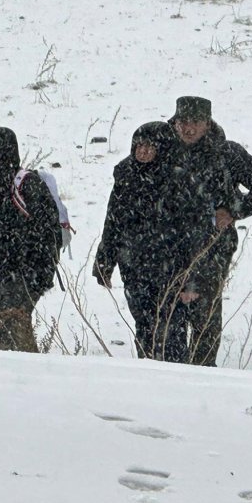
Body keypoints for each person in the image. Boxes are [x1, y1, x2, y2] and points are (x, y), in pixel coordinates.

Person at [94, 122, 214, 363]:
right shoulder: (127, 176)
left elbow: (198, 233)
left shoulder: (182, 179)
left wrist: (193, 280)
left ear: (163, 148)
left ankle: (173, 379)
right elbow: (113, 221)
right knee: (145, 328)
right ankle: (149, 374)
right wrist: (104, 261)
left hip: (173, 270)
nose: (143, 152)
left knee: (172, 331)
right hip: (135, 267)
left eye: (150, 147)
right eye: (139, 146)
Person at [167, 96, 252, 367]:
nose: (188, 129)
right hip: (169, 242)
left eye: (195, 122)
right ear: (175, 121)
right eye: (183, 122)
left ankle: (204, 369)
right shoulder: (164, 148)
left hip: (214, 243)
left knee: (205, 309)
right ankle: (172, 370)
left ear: (207, 123)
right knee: (171, 309)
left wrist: (234, 210)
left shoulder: (227, 153)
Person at [0, 127, 60, 352]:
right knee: (11, 324)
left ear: (3, 154)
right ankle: (18, 369)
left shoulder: (26, 184)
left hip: (27, 270)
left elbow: (49, 232)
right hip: (2, 271)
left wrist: (42, 271)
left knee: (12, 322)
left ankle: (21, 370)